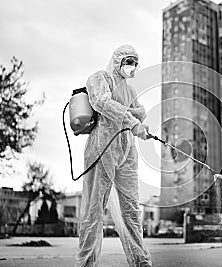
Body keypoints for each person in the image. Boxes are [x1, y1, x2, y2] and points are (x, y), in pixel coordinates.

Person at [75, 45, 152, 267]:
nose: (132, 66)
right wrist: (131, 119)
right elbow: (101, 102)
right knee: (94, 209)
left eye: (135, 63)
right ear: (117, 60)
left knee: (131, 210)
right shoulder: (100, 78)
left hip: (126, 150)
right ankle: (86, 263)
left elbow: (140, 111)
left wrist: (137, 124)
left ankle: (140, 262)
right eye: (129, 61)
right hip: (102, 148)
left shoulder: (130, 91)